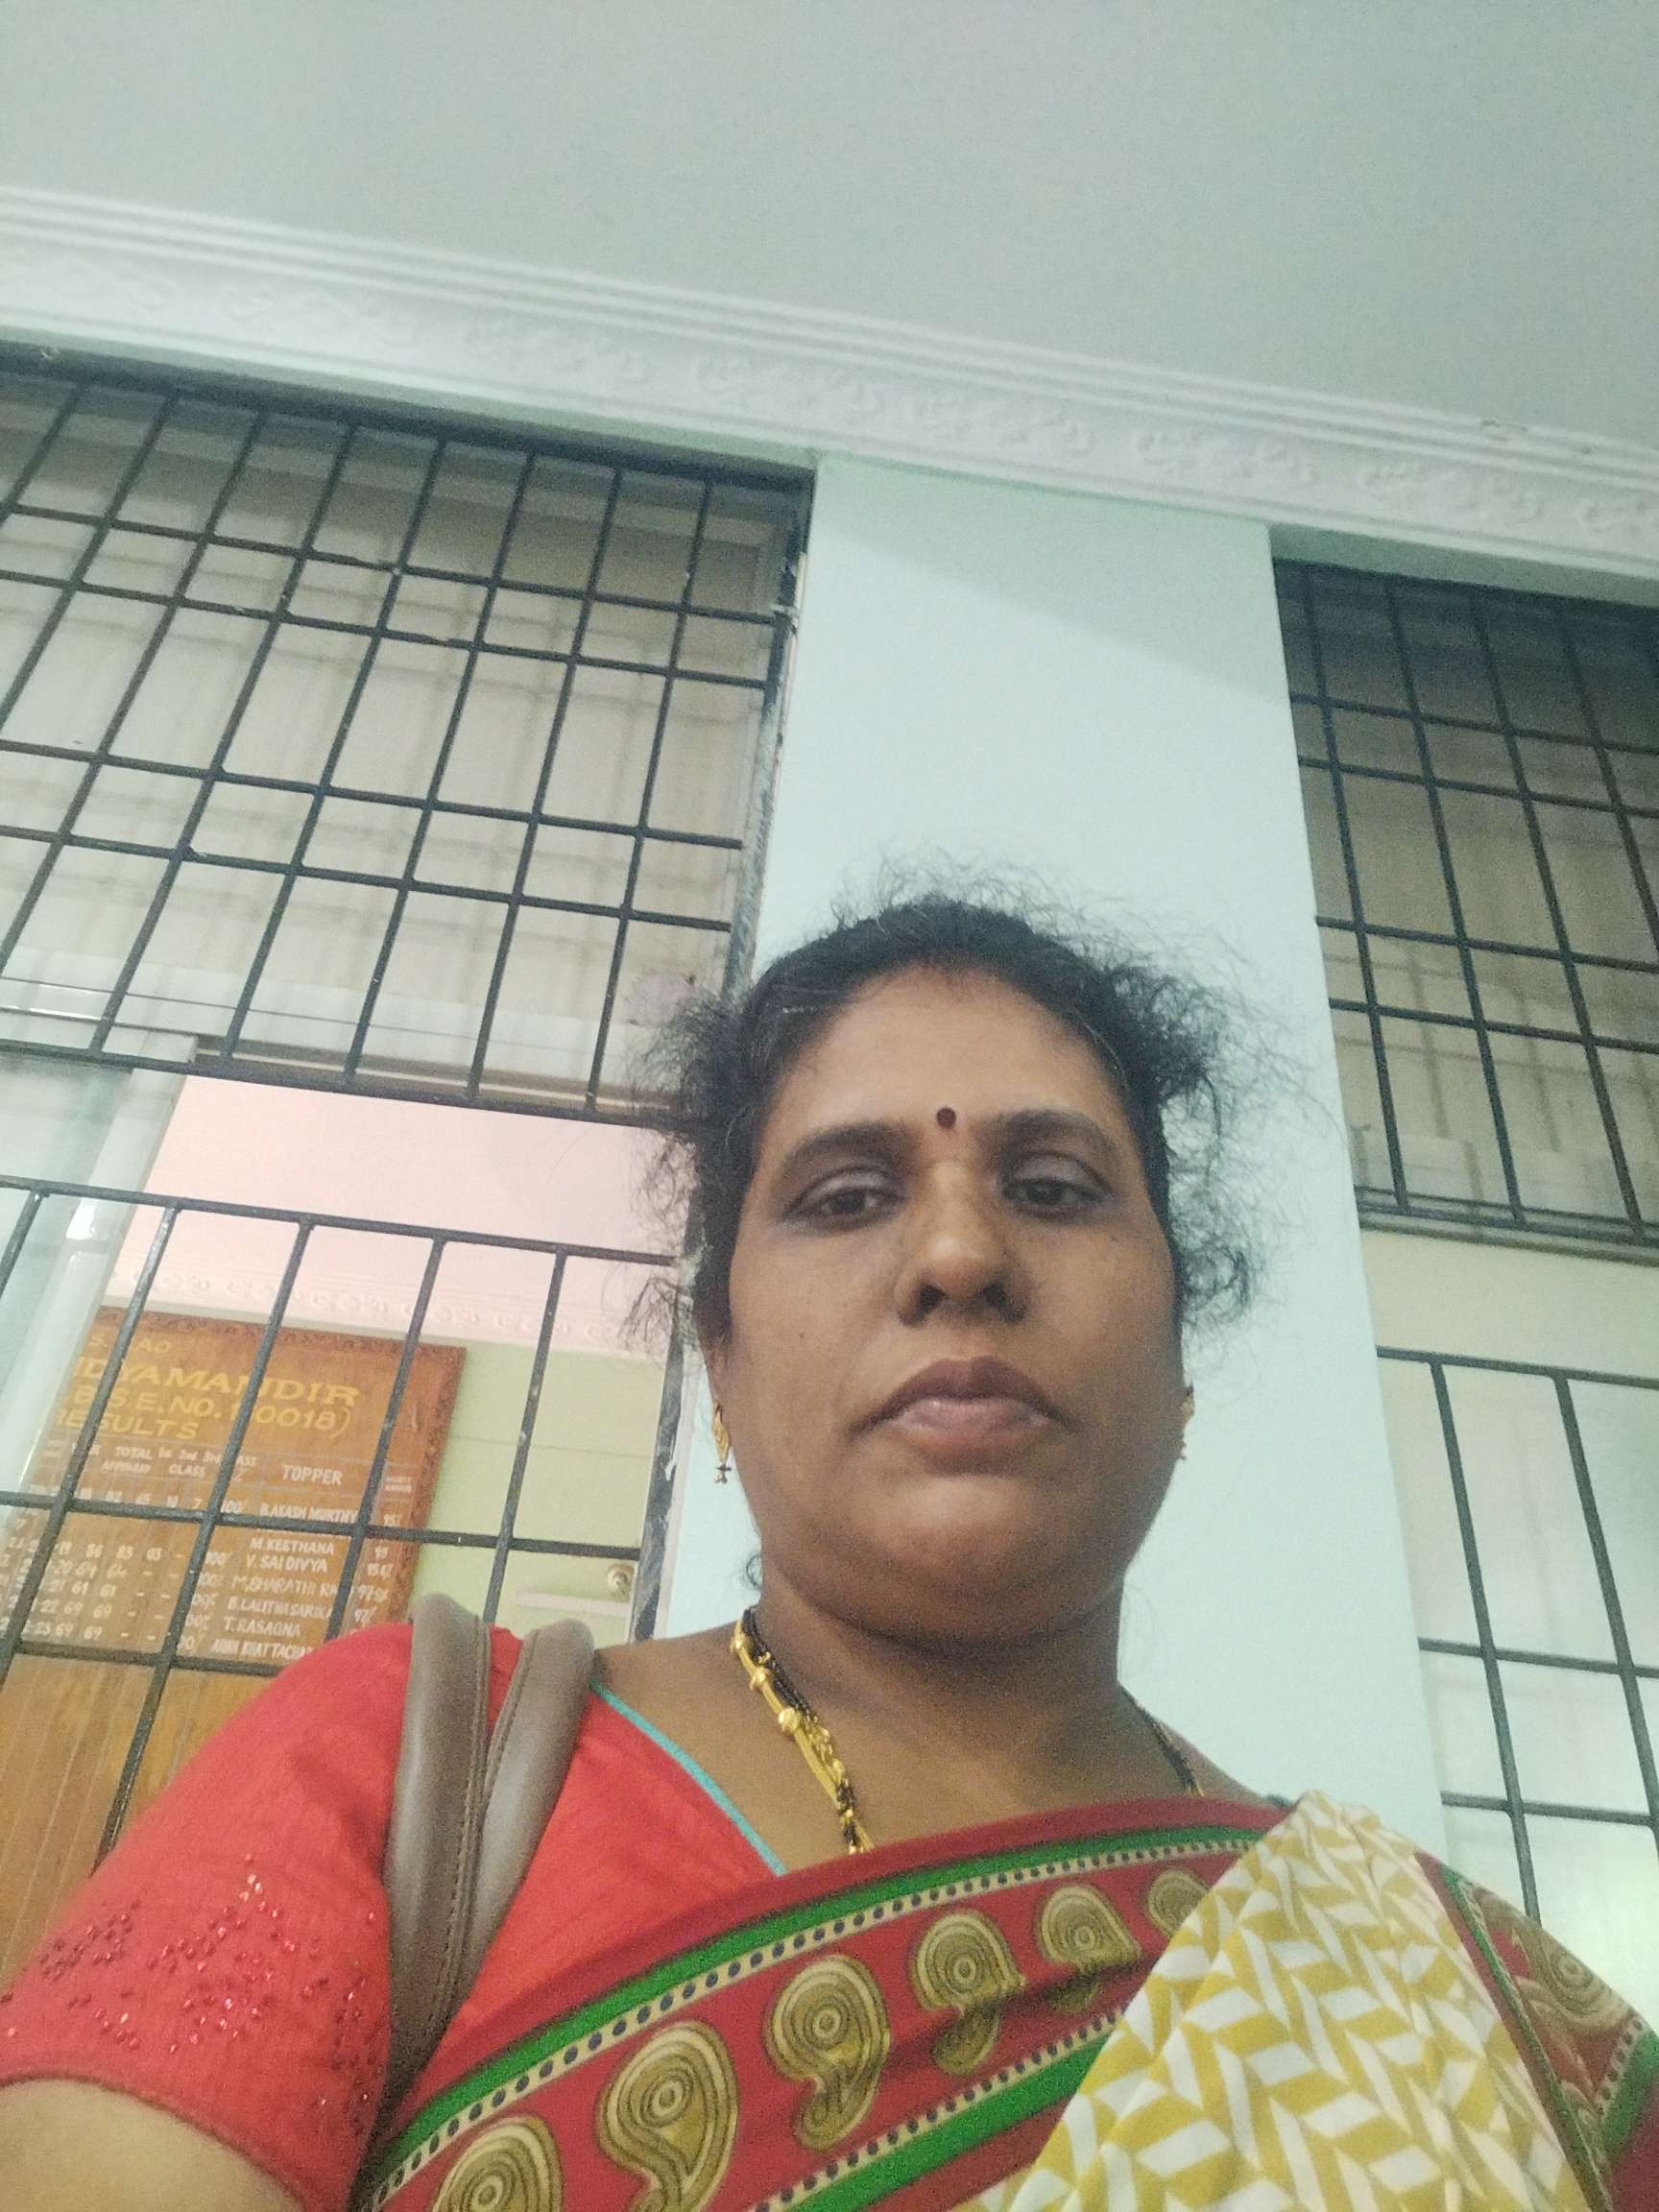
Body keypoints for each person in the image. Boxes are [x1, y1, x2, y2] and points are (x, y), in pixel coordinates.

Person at [0, 894, 1652, 2212]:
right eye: (848, 1196)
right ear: (717, 1365)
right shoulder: (397, 1772)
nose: (960, 1251)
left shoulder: (1454, 1999)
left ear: (1178, 1365)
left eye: (1057, 1187)